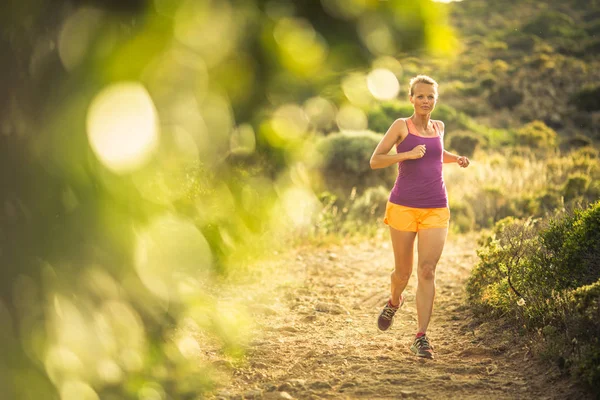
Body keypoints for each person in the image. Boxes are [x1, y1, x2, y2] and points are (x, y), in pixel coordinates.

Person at [369, 75, 470, 359]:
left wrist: (456, 158)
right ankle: (393, 301)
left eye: (431, 97)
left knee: (427, 270)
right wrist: (407, 155)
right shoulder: (401, 126)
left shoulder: (439, 127)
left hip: (436, 207)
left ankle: (420, 337)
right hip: (402, 206)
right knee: (403, 273)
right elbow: (376, 160)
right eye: (421, 96)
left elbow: (436, 155)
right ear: (411, 98)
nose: (426, 101)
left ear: (436, 101)